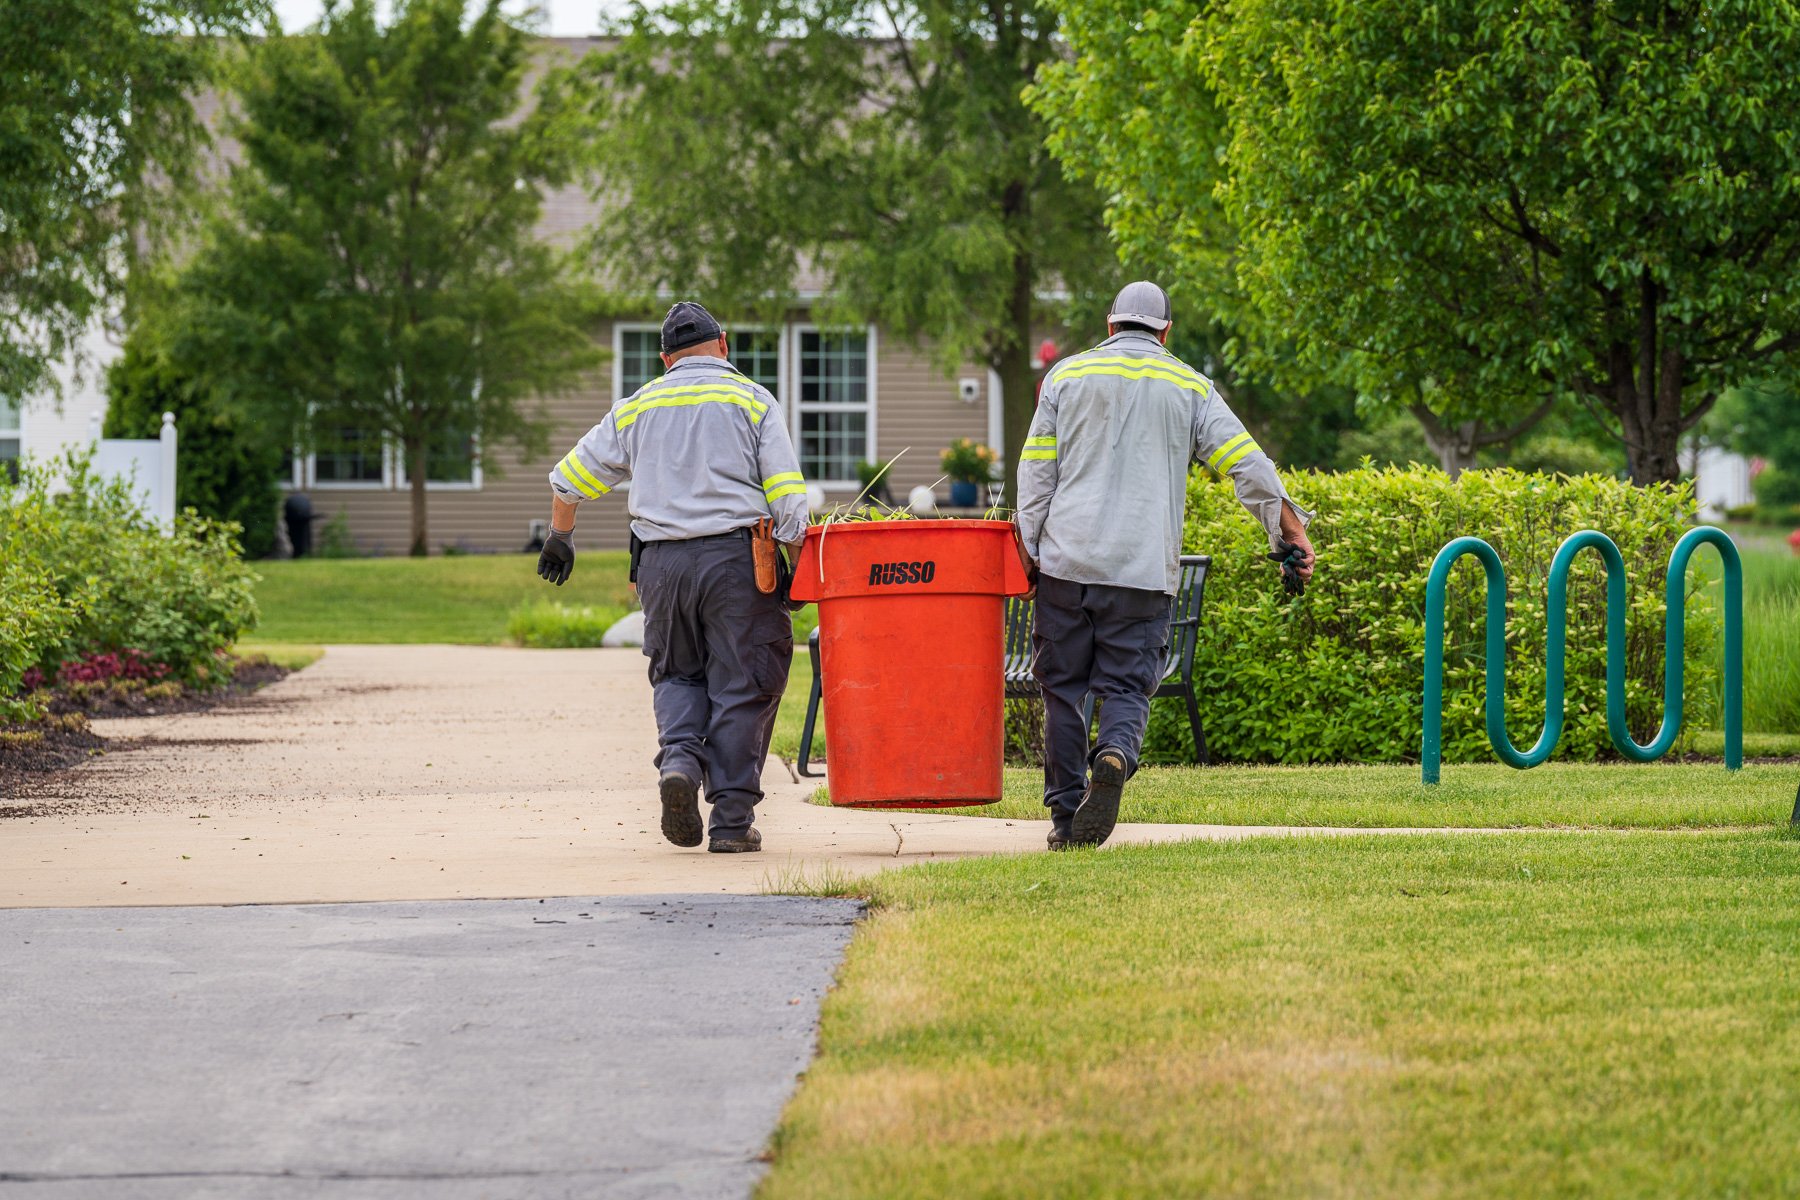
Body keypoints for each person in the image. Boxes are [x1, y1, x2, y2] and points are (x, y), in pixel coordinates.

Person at [1015, 280, 1317, 850]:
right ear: (1165, 331)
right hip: (1142, 571)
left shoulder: (1066, 377)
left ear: (1110, 326)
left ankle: (1064, 819)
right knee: (1128, 686)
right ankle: (1115, 753)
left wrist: (1028, 551)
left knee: (1062, 690)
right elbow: (1248, 467)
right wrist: (1289, 531)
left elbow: (1036, 476)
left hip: (1066, 563)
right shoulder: (1191, 386)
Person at [536, 301, 809, 854]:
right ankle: (731, 823)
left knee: (676, 675)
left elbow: (568, 481)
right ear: (724, 344)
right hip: (735, 563)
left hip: (659, 566)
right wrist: (797, 571)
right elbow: (788, 503)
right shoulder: (752, 400)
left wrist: (560, 537)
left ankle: (681, 762)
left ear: (666, 359)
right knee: (744, 683)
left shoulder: (637, 407)